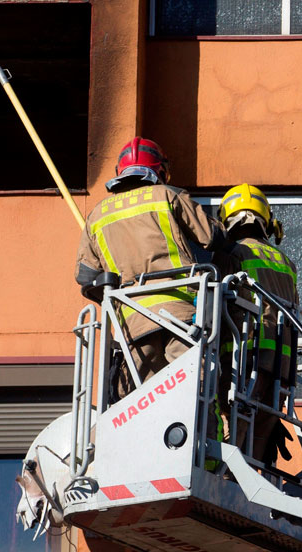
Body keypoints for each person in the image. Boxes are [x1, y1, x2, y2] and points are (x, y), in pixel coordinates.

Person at [74, 137, 222, 397]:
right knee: (192, 394)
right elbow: (212, 237)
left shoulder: (97, 215)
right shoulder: (167, 195)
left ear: (120, 172)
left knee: (144, 402)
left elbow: (85, 275)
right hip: (181, 314)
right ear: (161, 170)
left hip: (132, 321)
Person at [215, 184, 298, 462]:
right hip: (281, 366)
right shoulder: (286, 261)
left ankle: (227, 480)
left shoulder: (233, 254)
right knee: (259, 435)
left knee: (235, 431)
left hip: (244, 359)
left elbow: (217, 303)